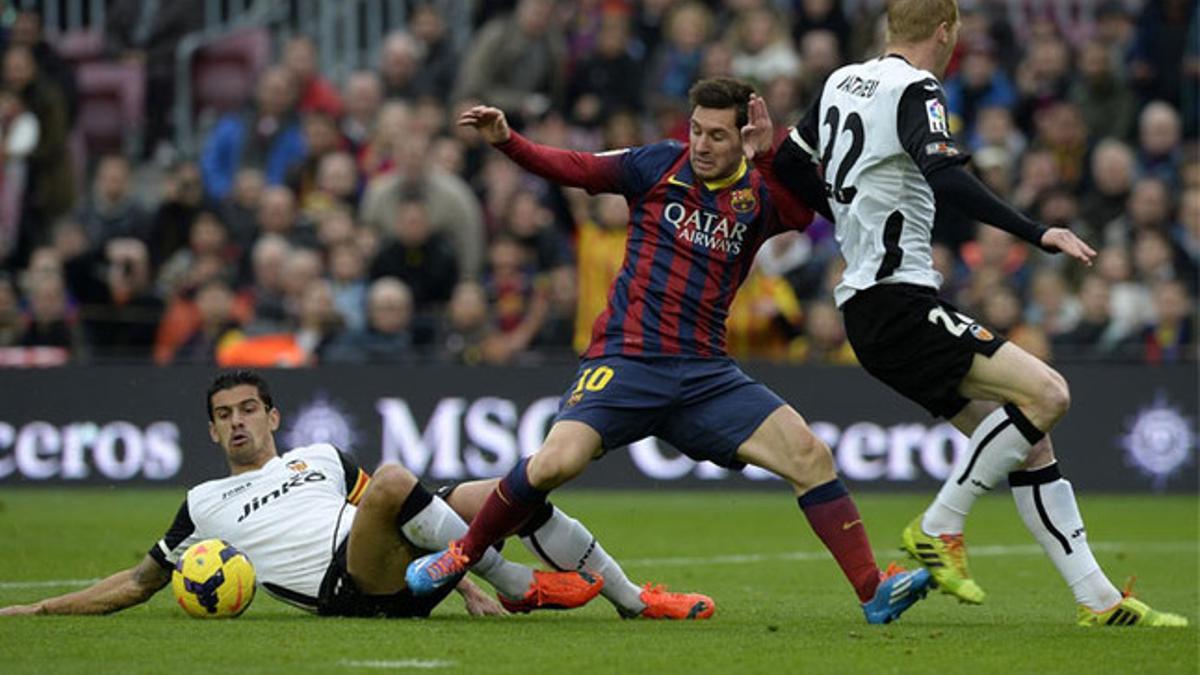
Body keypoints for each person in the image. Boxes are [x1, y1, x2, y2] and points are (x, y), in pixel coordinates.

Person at [406, 78, 933, 625]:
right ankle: (461, 555)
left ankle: (873, 591)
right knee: (554, 462)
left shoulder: (759, 194)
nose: (702, 145)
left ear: (741, 137)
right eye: (697, 131)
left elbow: (807, 212)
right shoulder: (657, 165)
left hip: (706, 374)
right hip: (626, 359)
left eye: (718, 136)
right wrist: (507, 140)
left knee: (810, 456)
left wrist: (771, 154)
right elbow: (579, 168)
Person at [769, 0, 1186, 628]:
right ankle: (940, 526)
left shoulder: (839, 81)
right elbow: (944, 173)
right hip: (897, 299)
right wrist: (1035, 230)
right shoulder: (918, 86)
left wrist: (853, 219)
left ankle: (1098, 600)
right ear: (946, 31)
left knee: (1031, 444)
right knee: (1048, 393)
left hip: (868, 304)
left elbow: (790, 165)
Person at [0, 371, 710, 620]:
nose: (239, 422)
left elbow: (414, 518)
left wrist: (463, 587)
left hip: (408, 567)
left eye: (249, 409)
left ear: (273, 417)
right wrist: (41, 605)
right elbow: (138, 580)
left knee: (496, 490)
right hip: (349, 587)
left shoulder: (322, 456)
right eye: (225, 415)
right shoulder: (204, 499)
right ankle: (521, 581)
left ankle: (635, 601)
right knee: (399, 479)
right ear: (212, 430)